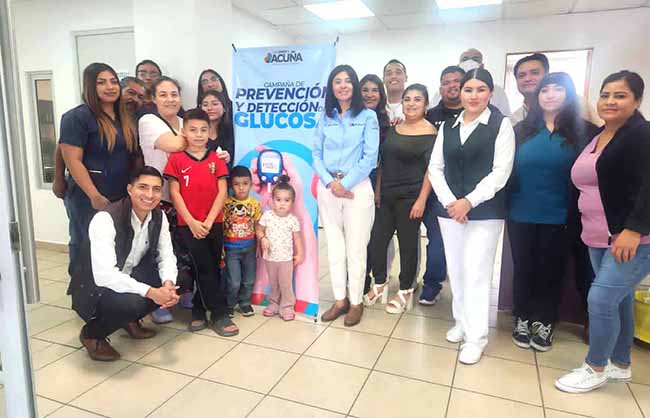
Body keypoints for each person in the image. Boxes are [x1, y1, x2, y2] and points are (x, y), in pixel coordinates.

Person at [556, 71, 650, 393]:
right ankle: (620, 363)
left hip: (632, 238)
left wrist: (634, 229)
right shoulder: (598, 135)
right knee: (619, 300)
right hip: (597, 235)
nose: (610, 101)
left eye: (620, 95)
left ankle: (595, 367)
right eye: (605, 94)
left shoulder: (642, 134)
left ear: (637, 100)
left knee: (600, 298)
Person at [428, 68, 515, 364]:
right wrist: (452, 203)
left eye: (480, 90)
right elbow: (435, 167)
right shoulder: (448, 126)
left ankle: (476, 337)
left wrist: (469, 202)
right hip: (450, 211)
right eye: (468, 89)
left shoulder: (501, 125)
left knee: (477, 273)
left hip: (485, 213)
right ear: (460, 92)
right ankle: (462, 322)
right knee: (456, 269)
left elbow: (501, 172)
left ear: (490, 93)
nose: (473, 95)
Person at [508, 72, 598, 352]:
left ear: (568, 94)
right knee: (524, 268)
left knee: (552, 271)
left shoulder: (585, 131)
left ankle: (545, 321)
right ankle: (523, 318)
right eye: (544, 90)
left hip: (561, 216)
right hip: (520, 213)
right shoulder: (521, 130)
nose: (550, 95)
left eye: (557, 89)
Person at [69, 166, 180, 361]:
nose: (150, 195)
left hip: (128, 274)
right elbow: (105, 276)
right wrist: (152, 292)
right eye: (143, 187)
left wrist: (168, 285)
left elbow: (166, 255)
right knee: (134, 303)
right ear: (130, 189)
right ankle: (91, 334)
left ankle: (128, 321)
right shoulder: (105, 218)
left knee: (182, 278)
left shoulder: (159, 216)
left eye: (156, 189)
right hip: (94, 288)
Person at [59, 62, 139, 280]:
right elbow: (72, 159)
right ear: (89, 87)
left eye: (113, 81)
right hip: (89, 198)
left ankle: (111, 295)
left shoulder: (124, 117)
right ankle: (83, 294)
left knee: (115, 248)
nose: (110, 87)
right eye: (101, 82)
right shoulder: (76, 117)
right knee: (86, 248)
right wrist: (93, 195)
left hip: (119, 195)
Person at [313, 64, 379, 327]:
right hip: (328, 187)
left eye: (347, 80)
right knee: (335, 247)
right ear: (331, 87)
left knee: (356, 249)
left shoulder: (368, 117)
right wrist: (331, 183)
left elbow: (370, 157)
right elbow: (316, 154)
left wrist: (346, 184)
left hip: (357, 188)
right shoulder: (325, 116)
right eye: (337, 81)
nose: (342, 85)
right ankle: (340, 300)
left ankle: (356, 302)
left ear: (355, 85)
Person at [164, 108, 238, 336]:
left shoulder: (216, 158)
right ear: (183, 131)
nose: (198, 134)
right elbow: (174, 193)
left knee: (213, 267)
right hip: (188, 225)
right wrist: (193, 223)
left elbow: (222, 191)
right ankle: (219, 313)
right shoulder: (176, 159)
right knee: (202, 267)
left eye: (203, 130)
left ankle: (198, 309)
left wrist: (208, 220)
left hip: (214, 223)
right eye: (193, 130)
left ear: (209, 132)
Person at [367, 84, 435, 313]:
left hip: (411, 199)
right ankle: (380, 282)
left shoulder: (431, 133)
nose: (411, 103)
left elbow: (432, 171)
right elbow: (383, 161)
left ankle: (406, 288)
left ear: (425, 104)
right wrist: (378, 191)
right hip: (386, 196)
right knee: (377, 241)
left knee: (408, 246)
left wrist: (422, 200)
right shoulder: (394, 128)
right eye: (407, 99)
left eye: (417, 99)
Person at [138, 76, 186, 323]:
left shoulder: (184, 122)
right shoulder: (148, 121)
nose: (170, 99)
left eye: (174, 94)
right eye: (163, 94)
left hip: (183, 197)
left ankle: (180, 291)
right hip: (156, 198)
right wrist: (198, 137)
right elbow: (175, 144)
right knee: (155, 250)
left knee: (181, 249)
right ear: (154, 99)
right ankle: (156, 302)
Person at [52, 73, 144, 200]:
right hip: (87, 192)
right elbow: (64, 149)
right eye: (131, 93)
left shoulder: (134, 120)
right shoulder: (81, 116)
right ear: (120, 90)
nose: (135, 99)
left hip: (120, 190)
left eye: (140, 97)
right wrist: (58, 178)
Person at [359, 74, 394, 297]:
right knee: (355, 234)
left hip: (376, 181)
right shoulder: (350, 117)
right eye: (365, 90)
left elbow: (383, 160)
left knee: (373, 235)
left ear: (381, 95)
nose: (370, 94)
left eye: (374, 90)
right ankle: (356, 277)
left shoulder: (386, 123)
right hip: (353, 180)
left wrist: (378, 189)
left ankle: (369, 277)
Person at [257, 176, 304, 321]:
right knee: (274, 283)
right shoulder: (267, 216)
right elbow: (259, 230)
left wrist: (300, 254)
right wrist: (263, 238)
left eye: (286, 200)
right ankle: (274, 303)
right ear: (272, 200)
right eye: (278, 200)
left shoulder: (292, 220)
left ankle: (287, 306)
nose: (282, 204)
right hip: (270, 258)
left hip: (286, 259)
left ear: (292, 202)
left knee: (285, 284)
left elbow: (297, 239)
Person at [223, 166, 261, 318]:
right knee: (234, 281)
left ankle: (244, 302)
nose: (241, 188)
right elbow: (221, 226)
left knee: (249, 279)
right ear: (231, 185)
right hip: (231, 249)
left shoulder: (255, 204)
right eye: (237, 184)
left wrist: (259, 244)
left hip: (249, 248)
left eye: (245, 184)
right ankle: (229, 304)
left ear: (251, 184)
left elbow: (258, 225)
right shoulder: (226, 204)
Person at [457, 48, 512, 116]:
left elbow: (505, 115)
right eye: (465, 59)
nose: (469, 61)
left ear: (482, 66)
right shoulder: (450, 89)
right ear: (458, 65)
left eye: (475, 59)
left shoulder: (497, 91)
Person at [510, 53, 550, 125]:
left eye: (535, 73)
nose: (528, 79)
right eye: (521, 75)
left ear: (547, 76)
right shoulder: (514, 120)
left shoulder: (565, 113)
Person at [199, 89, 234, 170]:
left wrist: (228, 159)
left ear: (224, 108)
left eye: (214, 104)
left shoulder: (233, 131)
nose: (209, 108)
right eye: (205, 105)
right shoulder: (195, 132)